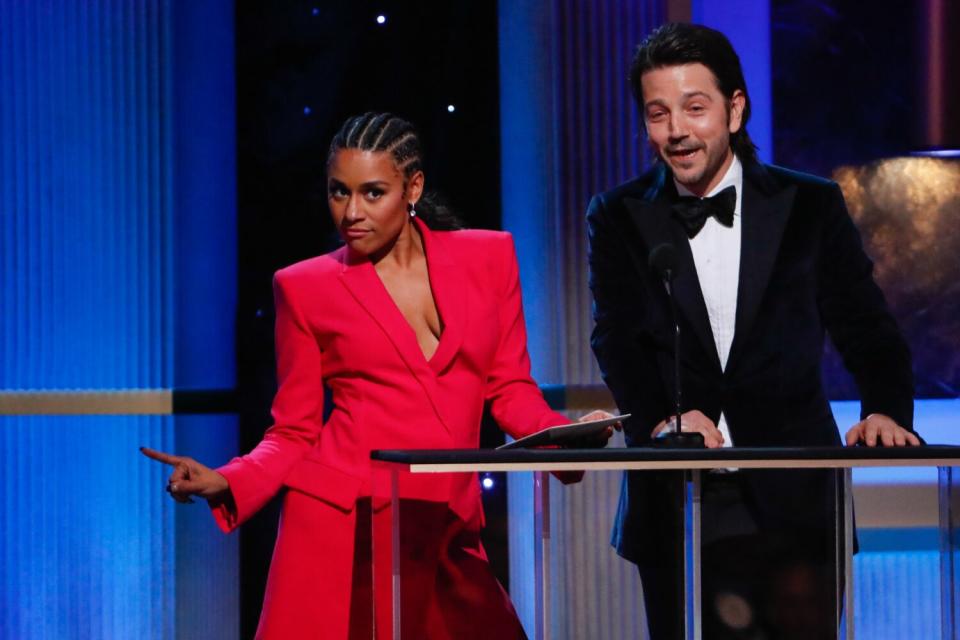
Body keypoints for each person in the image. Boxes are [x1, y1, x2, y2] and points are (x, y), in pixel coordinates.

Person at [143, 112, 615, 639]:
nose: (351, 212)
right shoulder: (304, 287)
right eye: (338, 192)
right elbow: (293, 430)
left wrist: (561, 441)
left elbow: (508, 388)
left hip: (446, 524)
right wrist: (230, 478)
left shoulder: (488, 257)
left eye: (372, 193)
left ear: (413, 187)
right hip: (344, 528)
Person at [586, 23, 922, 639]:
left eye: (694, 108)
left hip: (794, 495)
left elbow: (868, 330)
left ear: (734, 109)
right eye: (658, 114)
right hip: (680, 497)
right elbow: (617, 340)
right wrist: (665, 420)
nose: (676, 131)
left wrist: (885, 411)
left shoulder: (810, 205)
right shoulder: (617, 215)